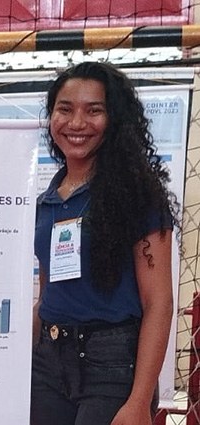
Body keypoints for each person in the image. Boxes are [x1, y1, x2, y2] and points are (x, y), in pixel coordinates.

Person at [30, 61, 178, 425]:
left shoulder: (139, 196)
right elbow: (48, 292)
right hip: (47, 363)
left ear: (114, 120)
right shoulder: (47, 200)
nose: (77, 123)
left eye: (93, 110)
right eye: (65, 109)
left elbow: (158, 304)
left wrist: (140, 400)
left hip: (111, 365)